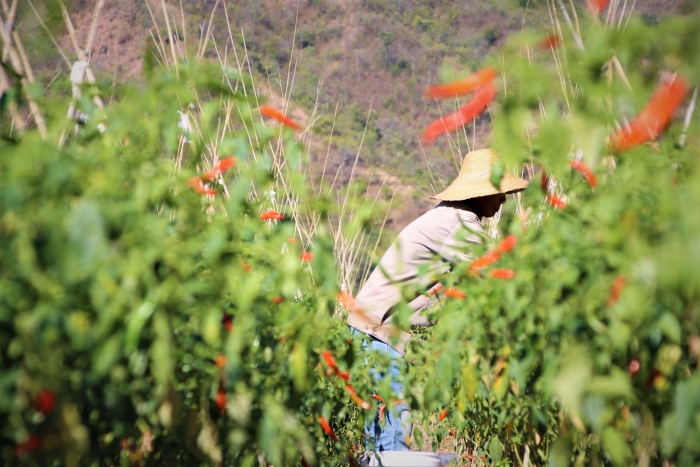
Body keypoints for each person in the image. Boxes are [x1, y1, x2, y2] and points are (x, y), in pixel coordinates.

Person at [346, 148, 529, 454]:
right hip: (381, 336)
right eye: (499, 193)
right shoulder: (460, 224)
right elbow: (499, 279)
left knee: (379, 442)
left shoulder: (449, 216)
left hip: (371, 333)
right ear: (481, 193)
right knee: (389, 442)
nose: (503, 201)